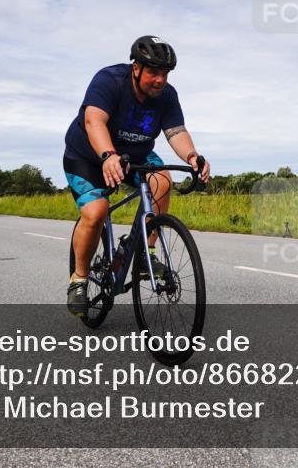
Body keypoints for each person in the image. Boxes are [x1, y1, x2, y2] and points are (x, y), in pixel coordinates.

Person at [62, 35, 210, 318]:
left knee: (162, 181)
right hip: (88, 155)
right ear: (136, 68)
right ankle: (79, 280)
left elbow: (176, 132)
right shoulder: (109, 80)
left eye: (164, 73)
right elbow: (94, 120)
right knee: (96, 211)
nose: (159, 80)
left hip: (135, 155)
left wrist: (192, 156)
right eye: (153, 72)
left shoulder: (167, 95)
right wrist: (107, 155)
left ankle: (146, 255)